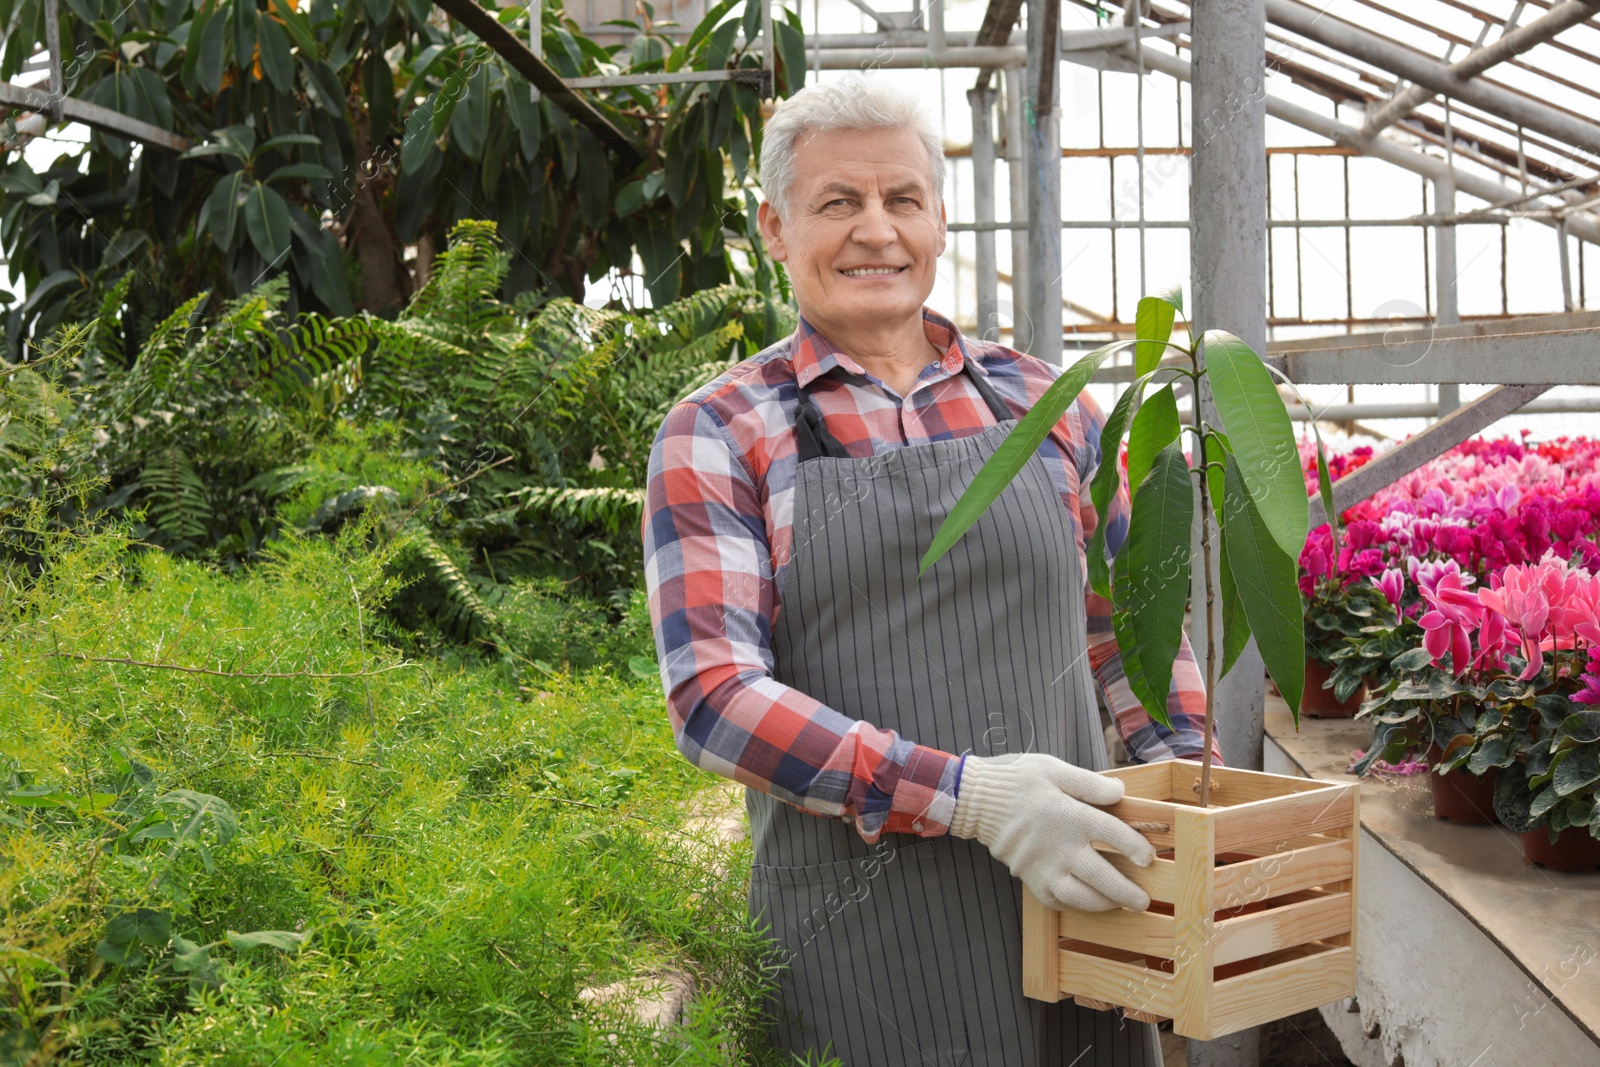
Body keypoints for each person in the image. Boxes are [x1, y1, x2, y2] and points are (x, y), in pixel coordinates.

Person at [641, 73, 1222, 1067]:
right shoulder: (722, 430)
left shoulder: (1047, 403)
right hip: (860, 946)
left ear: (940, 220)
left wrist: (1191, 832)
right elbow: (713, 698)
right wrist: (971, 797)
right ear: (776, 229)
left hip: (1080, 909)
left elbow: (1130, 633)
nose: (876, 230)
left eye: (901, 198)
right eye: (838, 203)